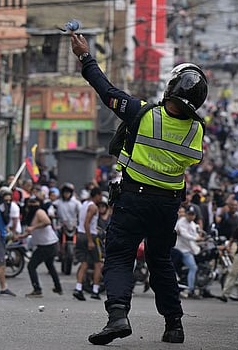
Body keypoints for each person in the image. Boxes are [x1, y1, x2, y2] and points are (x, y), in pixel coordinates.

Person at [71, 32, 207, 345]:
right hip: (168, 206)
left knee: (119, 256)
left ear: (171, 87)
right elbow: (193, 160)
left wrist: (85, 56)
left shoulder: (142, 114)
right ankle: (174, 325)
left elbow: (105, 91)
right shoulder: (197, 131)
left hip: (133, 199)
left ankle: (118, 315)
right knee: (160, 262)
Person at [20, 197, 63, 298]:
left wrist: (33, 227)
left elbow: (47, 221)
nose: (32, 205)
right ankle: (58, 287)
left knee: (31, 266)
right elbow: (31, 230)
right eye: (30, 202)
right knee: (50, 265)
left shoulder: (39, 211)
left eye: (34, 202)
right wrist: (21, 236)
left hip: (47, 245)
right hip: (47, 244)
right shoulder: (31, 215)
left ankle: (37, 289)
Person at [73, 187, 104, 301]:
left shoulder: (84, 204)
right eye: (100, 196)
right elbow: (87, 223)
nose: (101, 198)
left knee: (84, 263)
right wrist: (90, 240)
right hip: (90, 236)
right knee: (98, 263)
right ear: (97, 195)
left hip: (80, 235)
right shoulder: (93, 207)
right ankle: (95, 291)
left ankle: (78, 288)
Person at [174, 205, 201, 299]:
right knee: (193, 267)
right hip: (181, 250)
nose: (191, 216)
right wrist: (196, 238)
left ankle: (194, 287)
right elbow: (185, 234)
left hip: (189, 250)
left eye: (193, 214)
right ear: (186, 214)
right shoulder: (181, 222)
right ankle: (190, 289)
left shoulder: (193, 224)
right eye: (189, 214)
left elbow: (197, 234)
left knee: (195, 267)